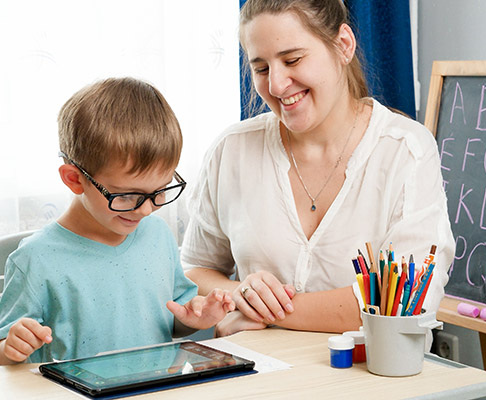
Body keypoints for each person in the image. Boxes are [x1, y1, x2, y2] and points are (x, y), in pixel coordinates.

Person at [181, 0, 455, 337]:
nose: (278, 85)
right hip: (261, 382)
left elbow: (405, 302)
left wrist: (265, 311)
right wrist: (241, 293)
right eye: (262, 68)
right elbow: (193, 270)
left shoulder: (407, 150)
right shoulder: (231, 150)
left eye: (292, 59)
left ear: (343, 45)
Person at [0, 77, 234, 366]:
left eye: (160, 191)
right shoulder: (35, 259)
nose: (146, 210)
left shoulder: (157, 236)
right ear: (75, 179)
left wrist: (196, 318)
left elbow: (175, 318)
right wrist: (12, 347)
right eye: (128, 196)